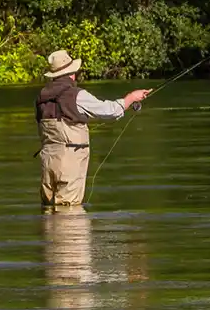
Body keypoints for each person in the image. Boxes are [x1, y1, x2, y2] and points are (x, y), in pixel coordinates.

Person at [35, 49, 151, 207]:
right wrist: (130, 98)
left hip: (47, 162)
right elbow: (108, 111)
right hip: (70, 163)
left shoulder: (42, 98)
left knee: (48, 211)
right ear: (72, 73)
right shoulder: (76, 95)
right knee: (69, 213)